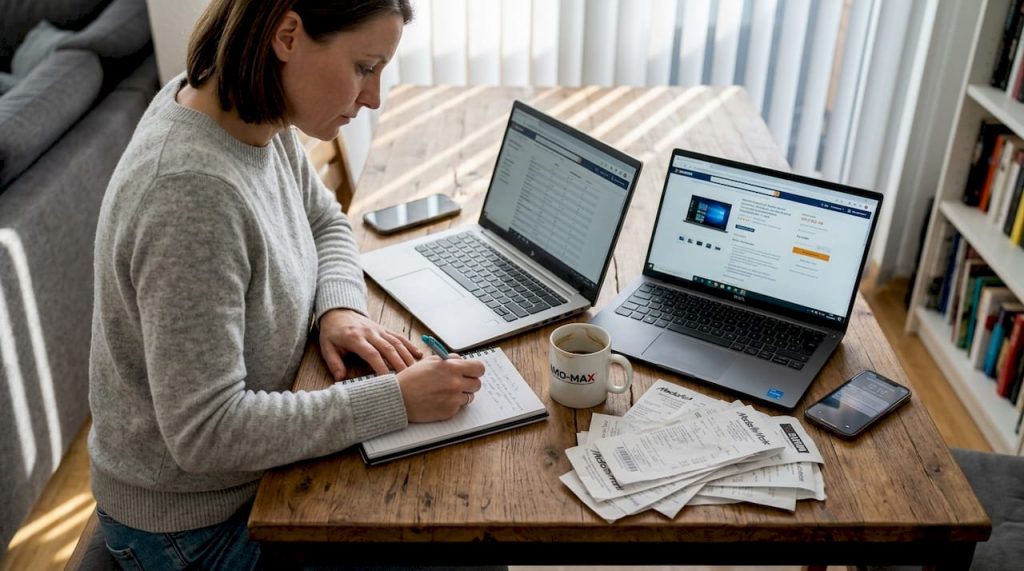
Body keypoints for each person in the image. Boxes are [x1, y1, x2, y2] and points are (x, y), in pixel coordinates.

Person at [87, 1, 484, 568]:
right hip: (197, 527)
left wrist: (339, 309)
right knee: (465, 544)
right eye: (364, 67)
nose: (373, 97)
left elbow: (326, 221)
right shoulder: (190, 193)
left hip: (253, 472)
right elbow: (206, 432)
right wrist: (394, 401)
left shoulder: (250, 117)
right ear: (288, 36)